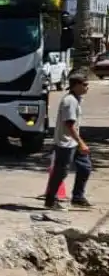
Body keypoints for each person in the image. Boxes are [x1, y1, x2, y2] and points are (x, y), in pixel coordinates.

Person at [45, 69, 92, 210]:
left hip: (73, 142)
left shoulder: (76, 99)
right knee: (61, 172)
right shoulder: (69, 101)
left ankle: (78, 197)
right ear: (76, 85)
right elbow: (69, 125)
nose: (87, 87)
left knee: (85, 167)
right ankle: (50, 199)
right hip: (65, 142)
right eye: (85, 84)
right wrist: (81, 142)